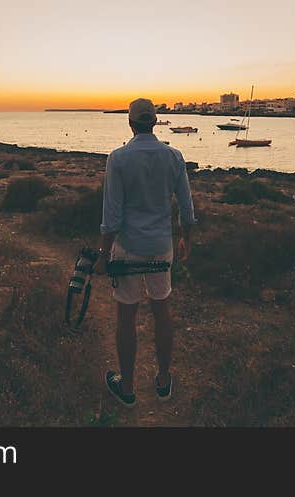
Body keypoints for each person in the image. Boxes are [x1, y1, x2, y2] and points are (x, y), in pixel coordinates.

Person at [95, 97, 197, 407]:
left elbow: (111, 215)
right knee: (161, 312)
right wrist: (186, 240)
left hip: (127, 249)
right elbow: (187, 209)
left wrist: (103, 254)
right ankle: (164, 381)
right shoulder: (174, 156)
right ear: (154, 122)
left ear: (130, 122)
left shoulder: (118, 158)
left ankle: (126, 388)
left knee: (126, 316)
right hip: (160, 248)